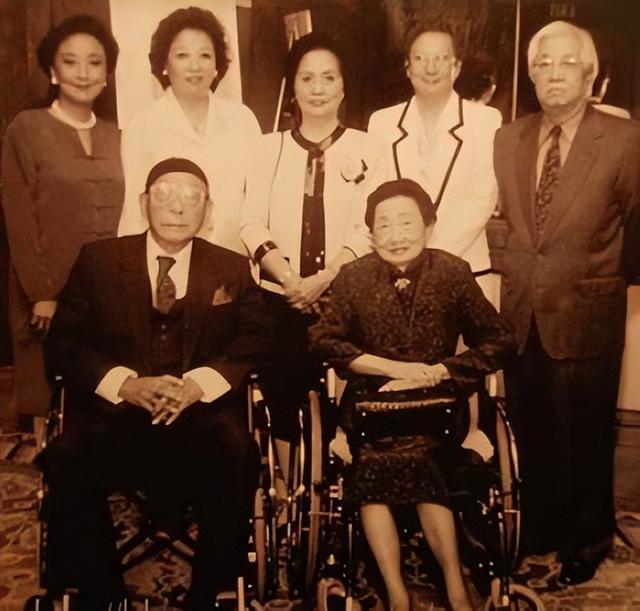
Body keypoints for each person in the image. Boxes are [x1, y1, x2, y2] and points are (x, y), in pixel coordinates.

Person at [38, 158, 271, 610]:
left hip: (200, 419)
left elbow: (257, 338)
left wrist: (198, 385)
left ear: (208, 209)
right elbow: (64, 343)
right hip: (116, 418)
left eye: (191, 198)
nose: (177, 208)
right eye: (165, 195)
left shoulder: (230, 266)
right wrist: (125, 384)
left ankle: (210, 593)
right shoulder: (99, 260)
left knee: (239, 452)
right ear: (144, 202)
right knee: (65, 456)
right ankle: (103, 592)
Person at [310, 179, 515, 611]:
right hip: (372, 405)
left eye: (406, 222)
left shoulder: (452, 272)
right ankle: (396, 593)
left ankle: (454, 585)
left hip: (440, 403)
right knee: (372, 461)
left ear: (428, 226)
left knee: (423, 456)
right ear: (371, 234)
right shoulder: (353, 277)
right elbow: (323, 341)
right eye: (383, 225)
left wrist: (443, 370)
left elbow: (500, 341)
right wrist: (388, 368)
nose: (395, 234)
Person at [493, 20, 640, 585]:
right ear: (531, 74)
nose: (553, 73)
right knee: (530, 432)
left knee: (586, 435)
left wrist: (607, 278)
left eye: (567, 63)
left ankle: (586, 543)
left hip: (588, 311)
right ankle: (539, 532)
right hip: (521, 314)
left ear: (591, 74)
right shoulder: (508, 138)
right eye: (543, 64)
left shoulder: (625, 140)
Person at [241, 33, 379, 472]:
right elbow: (250, 221)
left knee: (354, 385)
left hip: (346, 296)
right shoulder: (267, 148)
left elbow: (370, 226)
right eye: (307, 78)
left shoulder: (368, 146)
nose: (318, 88)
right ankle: (287, 482)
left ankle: (346, 474)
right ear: (293, 87)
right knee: (281, 379)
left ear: (343, 85)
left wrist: (326, 277)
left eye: (328, 78)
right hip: (279, 296)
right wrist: (290, 280)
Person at [1, 14, 123, 423]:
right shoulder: (26, 129)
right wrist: (42, 292)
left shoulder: (118, 135)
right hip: (46, 291)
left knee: (104, 396)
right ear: (53, 71)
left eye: (94, 62)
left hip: (108, 293)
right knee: (46, 404)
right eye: (70, 62)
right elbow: (18, 217)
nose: (83, 73)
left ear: (107, 74)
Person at [368, 28, 501, 302]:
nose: (430, 68)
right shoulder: (382, 123)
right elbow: (377, 198)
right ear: (408, 67)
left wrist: (423, 262)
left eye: (440, 58)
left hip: (465, 274)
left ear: (456, 67)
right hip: (396, 278)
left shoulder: (486, 122)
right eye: (420, 58)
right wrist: (403, 259)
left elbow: (481, 200)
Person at [117, 6, 261, 253]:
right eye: (182, 55)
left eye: (204, 55)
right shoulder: (143, 124)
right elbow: (134, 211)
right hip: (169, 264)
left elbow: (258, 202)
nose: (195, 66)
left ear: (217, 64)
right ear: (164, 63)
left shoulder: (242, 119)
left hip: (235, 260)